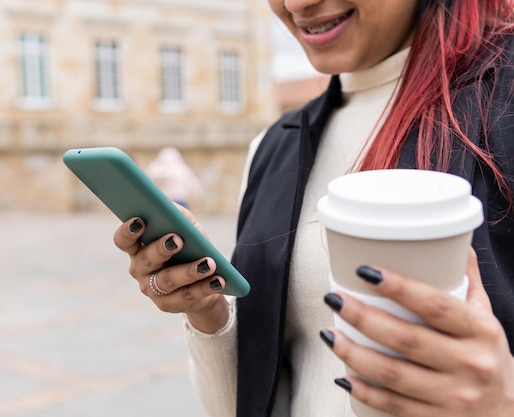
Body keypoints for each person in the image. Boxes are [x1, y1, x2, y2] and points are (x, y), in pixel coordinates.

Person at [113, 1, 514, 416]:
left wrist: (503, 402)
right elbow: (247, 403)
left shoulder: (503, 103)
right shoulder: (274, 146)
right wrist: (208, 313)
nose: (295, 3)